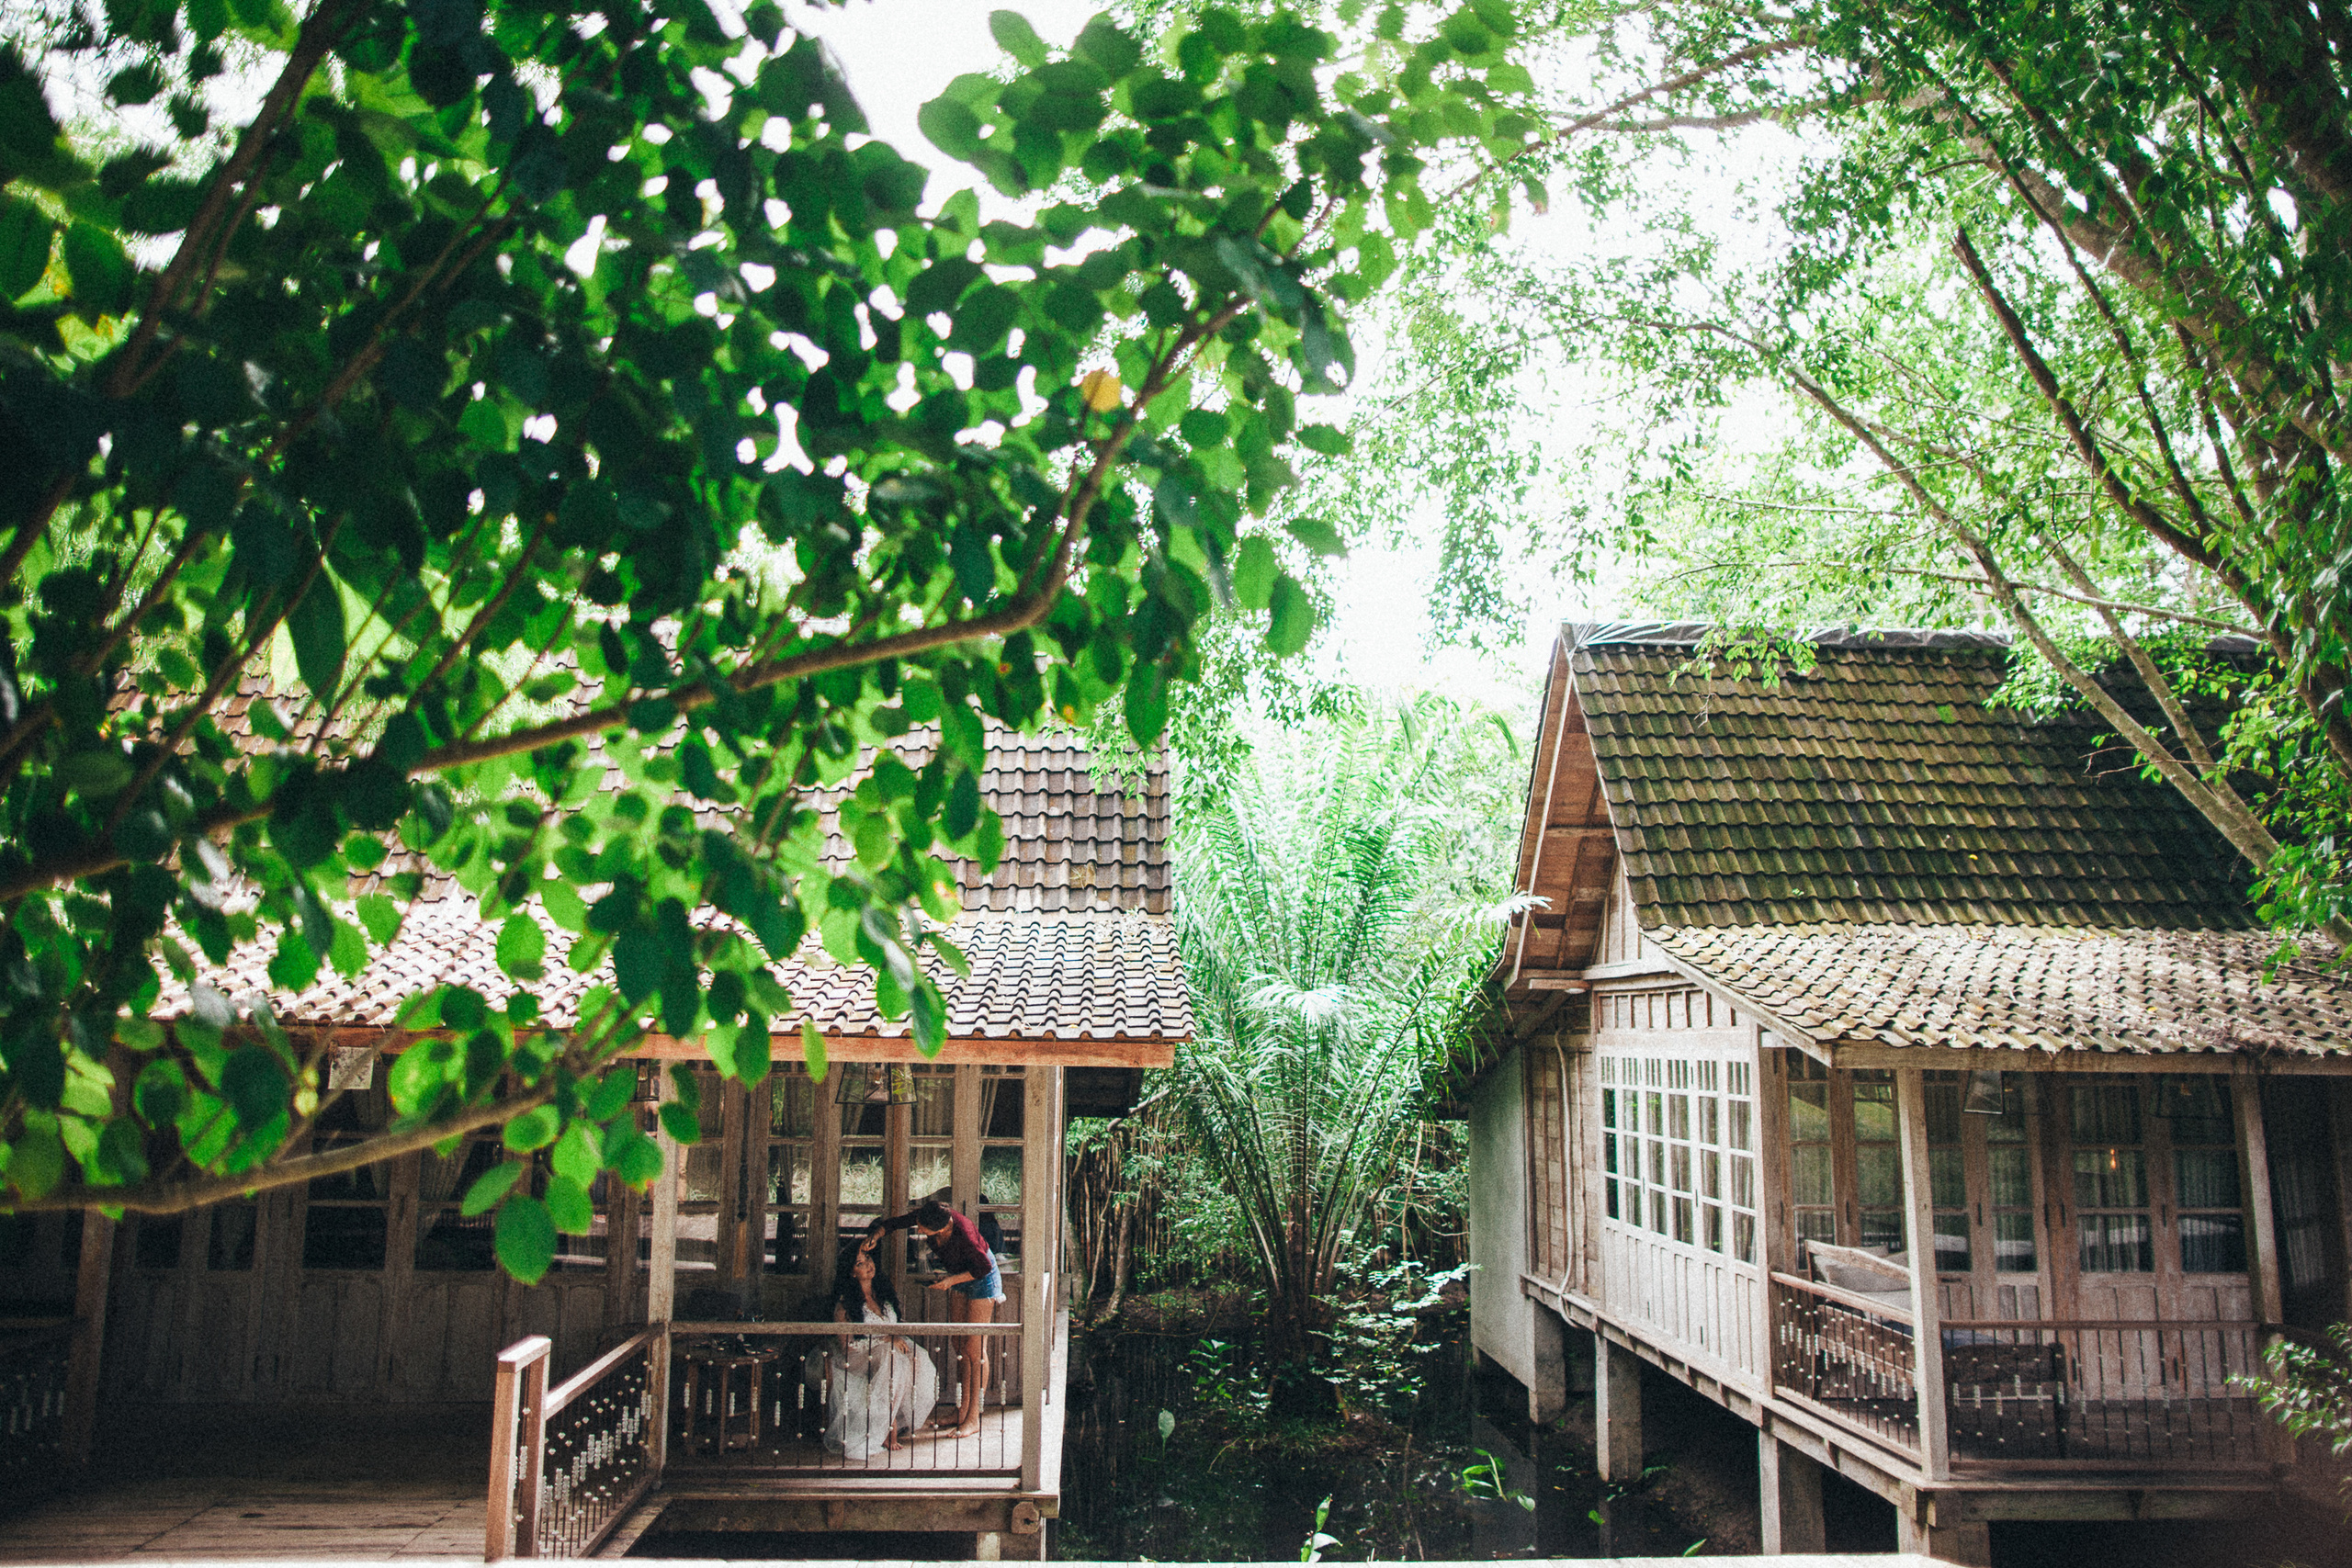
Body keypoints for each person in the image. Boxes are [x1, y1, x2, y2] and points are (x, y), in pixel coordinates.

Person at [862, 1199, 1000, 1438]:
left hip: (981, 1278)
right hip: (960, 1274)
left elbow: (984, 1267)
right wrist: (876, 1235)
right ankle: (961, 1410)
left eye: (924, 1230)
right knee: (959, 1344)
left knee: (974, 1349)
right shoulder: (930, 1215)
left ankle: (973, 1417)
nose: (920, 1230)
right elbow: (895, 1223)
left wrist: (950, 1281)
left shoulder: (965, 1233)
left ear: (944, 1228)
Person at [808, 1246, 937, 1459]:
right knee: (890, 1355)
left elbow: (895, 1328)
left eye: (868, 1258)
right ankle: (888, 1426)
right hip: (857, 1356)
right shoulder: (845, 1305)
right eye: (860, 1263)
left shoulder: (883, 1294)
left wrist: (892, 1338)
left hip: (886, 1350)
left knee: (916, 1357)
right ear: (852, 1272)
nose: (868, 1265)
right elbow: (847, 1347)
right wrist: (885, 1340)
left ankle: (893, 1417)